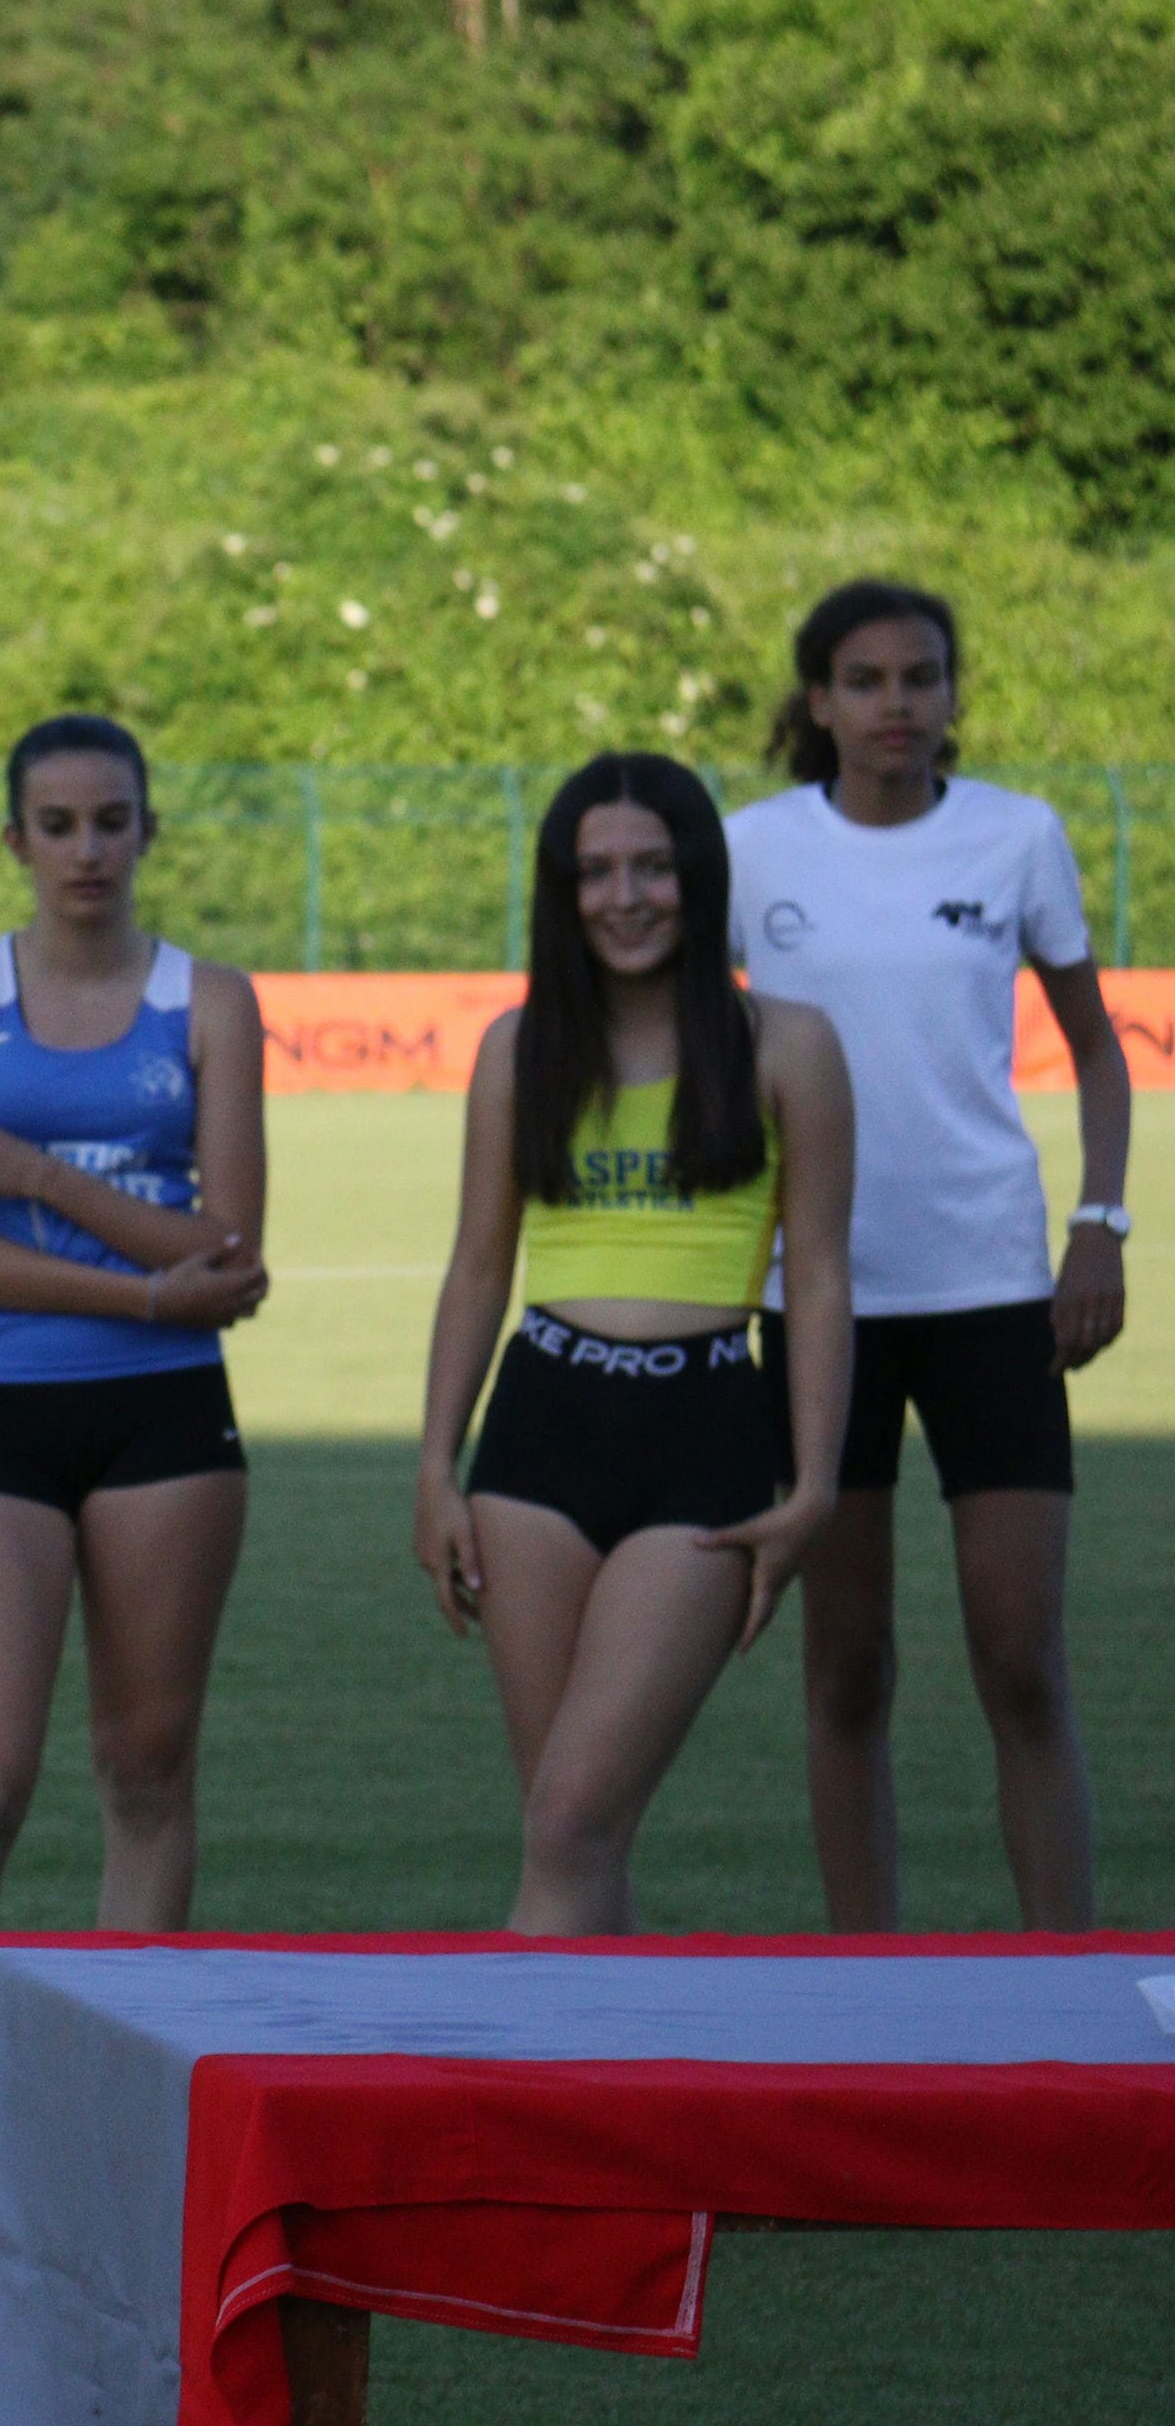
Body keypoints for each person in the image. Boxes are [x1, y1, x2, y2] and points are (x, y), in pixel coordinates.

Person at [728, 580, 1134, 1930]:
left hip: (994, 1291)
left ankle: (1067, 1976)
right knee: (847, 1671)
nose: (895, 703)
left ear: (954, 695)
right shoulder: (751, 850)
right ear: (819, 701)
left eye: (921, 677)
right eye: (865, 680)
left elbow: (1097, 1053)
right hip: (816, 1304)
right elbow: (689, 1053)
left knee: (1021, 1664)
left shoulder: (1019, 837)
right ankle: (869, 1985)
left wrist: (1100, 1224)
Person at [416, 755, 858, 1932]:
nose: (626, 898)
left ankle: (517, 2051)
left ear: (699, 877)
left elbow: (818, 1278)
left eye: (653, 868)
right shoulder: (519, 1049)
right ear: (562, 891)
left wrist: (815, 1484)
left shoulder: (788, 1045)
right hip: (538, 1435)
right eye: (597, 871)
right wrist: (434, 1467)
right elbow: (478, 1266)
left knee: (572, 1820)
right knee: (569, 1830)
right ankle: (593, 2051)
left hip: (704, 1437)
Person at [0, 715, 267, 1981]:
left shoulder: (209, 1001)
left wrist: (34, 1173)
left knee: (146, 1772)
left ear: (149, 830)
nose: (87, 849)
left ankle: (130, 2064)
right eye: (57, 825)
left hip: (166, 1419)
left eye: (112, 822)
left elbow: (228, 1254)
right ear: (17, 841)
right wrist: (149, 1288)